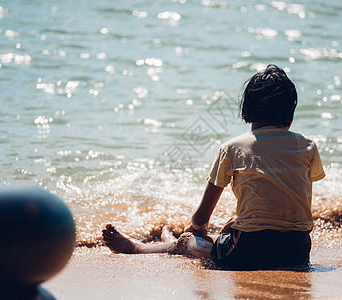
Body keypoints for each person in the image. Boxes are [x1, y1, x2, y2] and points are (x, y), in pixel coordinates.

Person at [102, 64, 325, 270]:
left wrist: (196, 229)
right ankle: (187, 239)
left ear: (248, 109)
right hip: (297, 253)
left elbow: (200, 219)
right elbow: (290, 203)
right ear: (290, 113)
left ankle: (140, 248)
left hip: (248, 255)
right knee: (235, 231)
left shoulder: (232, 148)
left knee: (190, 241)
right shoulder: (307, 146)